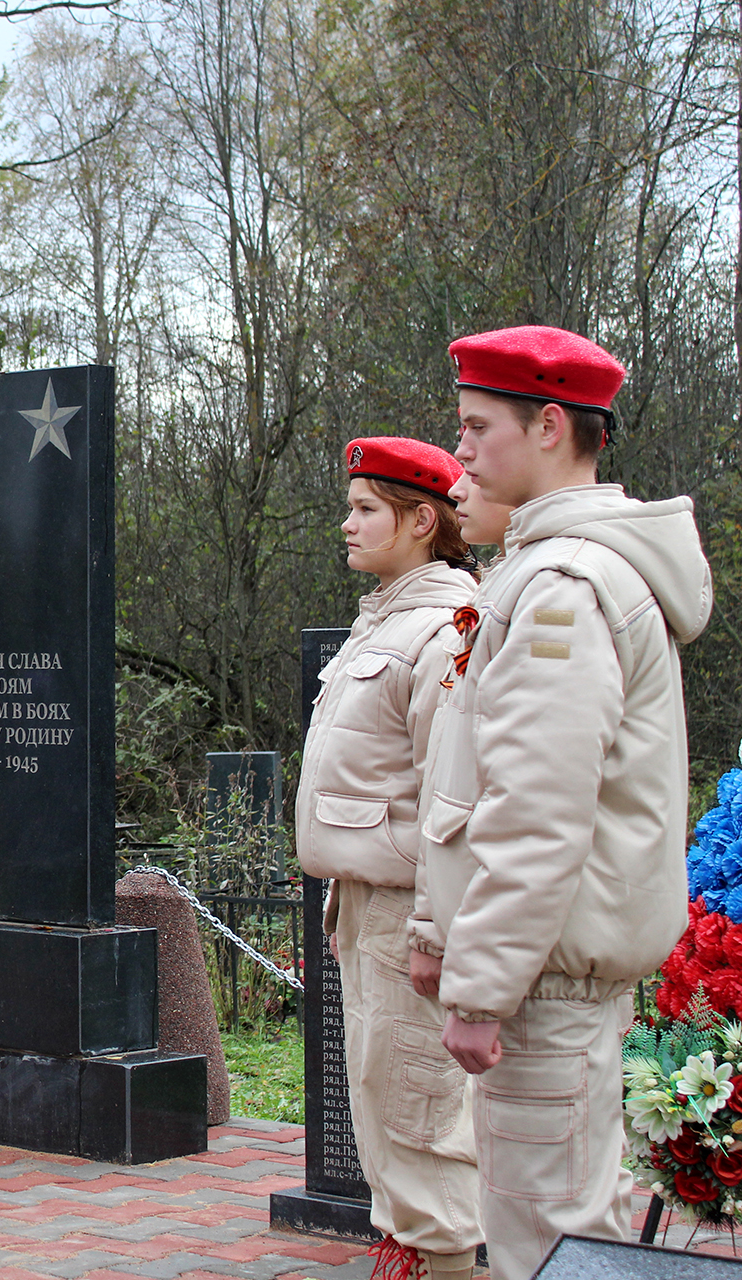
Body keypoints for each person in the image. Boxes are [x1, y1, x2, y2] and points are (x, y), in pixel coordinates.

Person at [411, 326, 712, 1278]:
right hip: (543, 969)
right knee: (552, 1231)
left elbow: (539, 811)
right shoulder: (548, 569)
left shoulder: (562, 586)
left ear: (549, 426)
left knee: (549, 1244)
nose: (458, 449)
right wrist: (437, 931)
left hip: (545, 981)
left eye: (475, 425)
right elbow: (478, 783)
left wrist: (483, 985)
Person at [296, 439, 482, 1280]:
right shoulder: (389, 619)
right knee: (380, 1099)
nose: (348, 522)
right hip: (363, 903)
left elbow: (454, 801)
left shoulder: (444, 631)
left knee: (420, 1111)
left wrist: (431, 928)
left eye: (367, 508)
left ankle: (442, 1264)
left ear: (422, 520)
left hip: (408, 907)